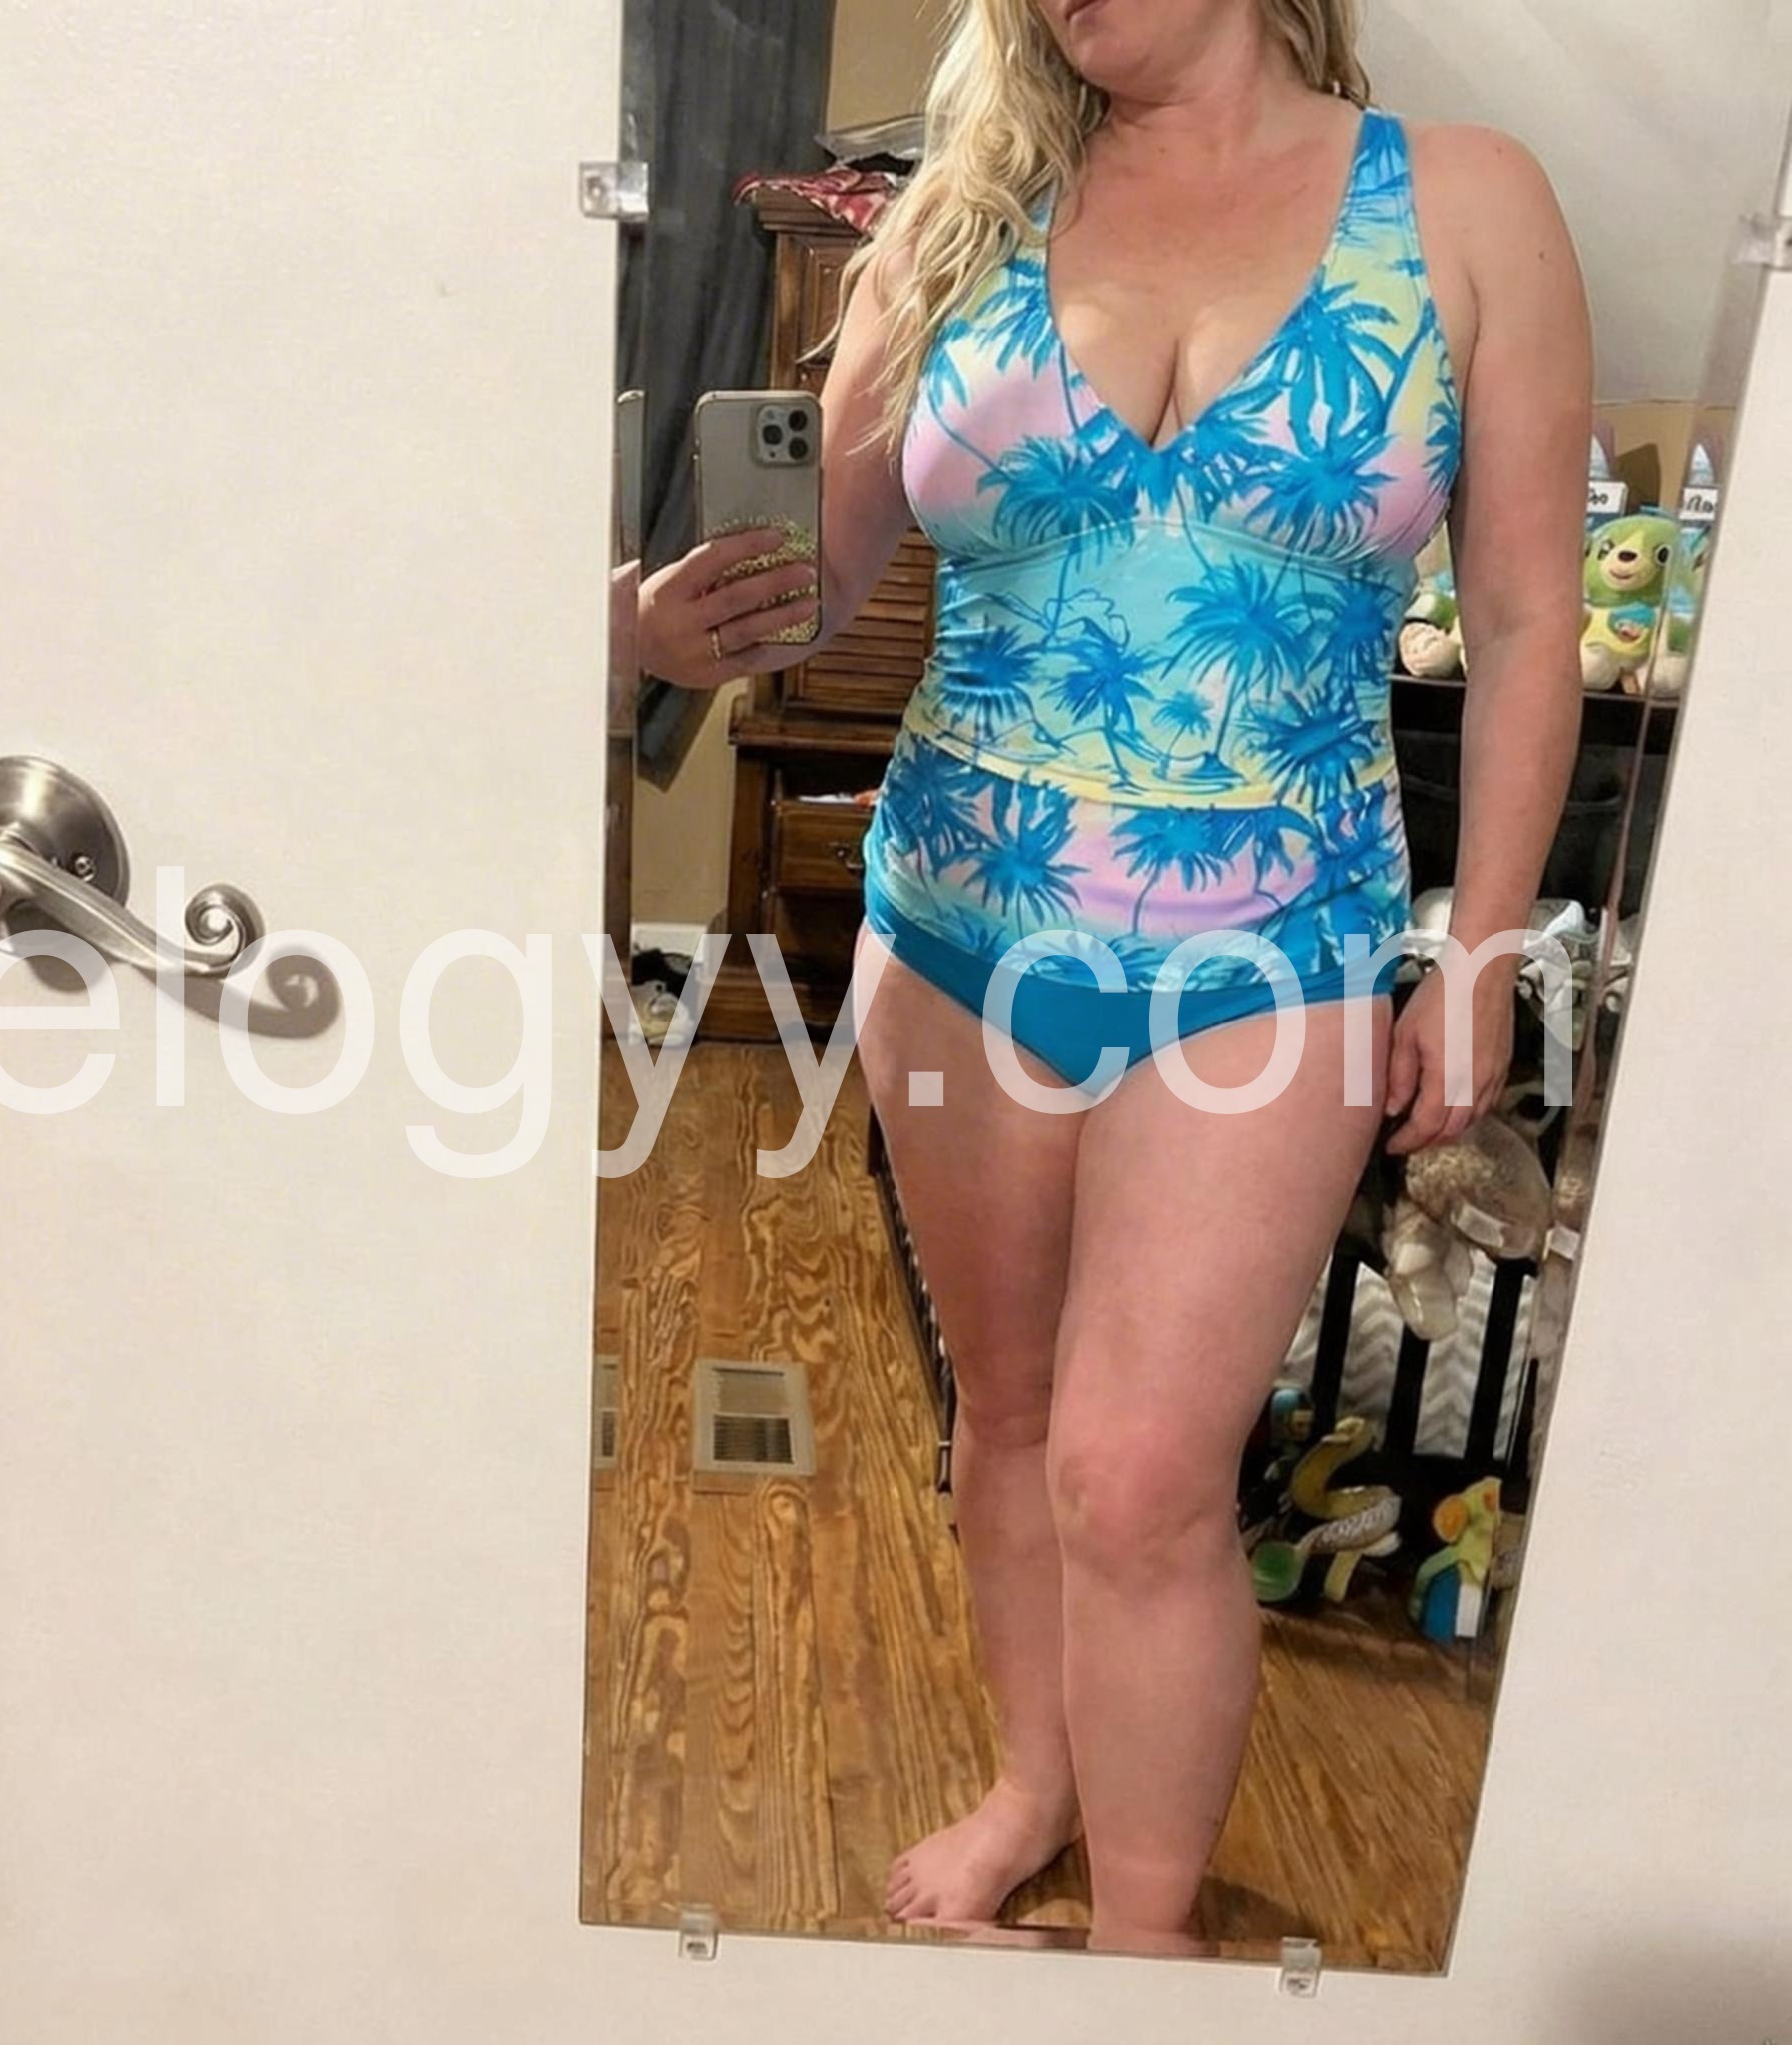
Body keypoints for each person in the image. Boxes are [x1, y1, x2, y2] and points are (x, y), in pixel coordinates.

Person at [638, 0, 1588, 1952]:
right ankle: (1032, 1785)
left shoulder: (1467, 205)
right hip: (956, 929)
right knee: (1004, 1417)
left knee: (1140, 1476)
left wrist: (1480, 947)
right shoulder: (952, 220)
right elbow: (818, 581)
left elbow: (1520, 617)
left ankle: (1146, 1951)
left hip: (1279, 952)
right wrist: (658, 623)